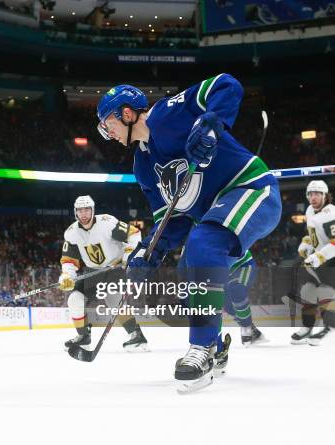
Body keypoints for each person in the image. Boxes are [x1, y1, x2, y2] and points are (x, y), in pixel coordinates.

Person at [97, 75, 282, 392]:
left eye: (107, 122)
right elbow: (173, 221)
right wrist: (147, 255)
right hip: (217, 212)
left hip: (251, 189)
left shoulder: (168, 113)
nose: (108, 132)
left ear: (127, 113)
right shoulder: (142, 165)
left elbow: (227, 84)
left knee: (202, 242)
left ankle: (203, 347)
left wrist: (212, 122)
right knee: (189, 268)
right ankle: (217, 344)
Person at [58, 195, 147, 352]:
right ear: (75, 212)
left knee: (114, 300)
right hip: (93, 271)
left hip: (116, 267)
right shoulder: (71, 233)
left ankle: (136, 336)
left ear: (93, 210)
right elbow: (69, 260)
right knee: (74, 299)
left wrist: (129, 255)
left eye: (87, 210)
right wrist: (67, 276)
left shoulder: (107, 223)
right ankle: (83, 337)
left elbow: (134, 234)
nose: (84, 214)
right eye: (80, 211)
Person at [292, 180, 335, 346]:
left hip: (330, 259)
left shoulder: (331, 213)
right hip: (320, 259)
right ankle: (307, 326)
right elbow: (313, 235)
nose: (313, 197)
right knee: (307, 290)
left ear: (325, 195)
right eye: (310, 193)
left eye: (317, 193)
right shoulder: (310, 210)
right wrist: (306, 243)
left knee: (325, 291)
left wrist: (319, 257)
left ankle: (330, 327)